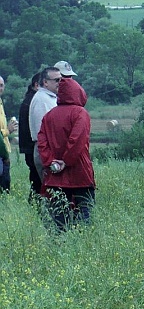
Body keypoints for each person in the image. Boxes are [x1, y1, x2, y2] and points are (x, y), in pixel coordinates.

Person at [37, 77, 95, 231]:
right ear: (78, 93)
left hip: (55, 176)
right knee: (85, 214)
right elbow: (77, 141)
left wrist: (52, 162)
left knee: (60, 218)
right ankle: (83, 245)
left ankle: (60, 245)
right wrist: (66, 161)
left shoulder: (48, 116)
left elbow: (42, 143)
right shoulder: (80, 113)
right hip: (80, 174)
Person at [29, 66, 61, 183]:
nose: (60, 83)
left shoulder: (50, 98)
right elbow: (41, 133)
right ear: (45, 82)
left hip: (51, 149)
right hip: (46, 150)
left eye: (61, 79)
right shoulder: (41, 99)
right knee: (51, 188)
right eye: (56, 80)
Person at [18, 72, 42, 197]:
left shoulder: (29, 99)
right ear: (37, 85)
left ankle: (35, 203)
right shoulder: (34, 100)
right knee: (37, 181)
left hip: (29, 148)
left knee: (35, 180)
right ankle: (36, 204)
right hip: (33, 147)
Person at [0, 74, 20, 193]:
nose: (0, 88)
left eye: (1, 85)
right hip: (1, 152)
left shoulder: (1, 102)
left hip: (4, 149)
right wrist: (8, 130)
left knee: (5, 184)